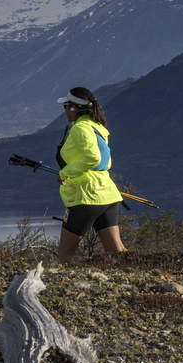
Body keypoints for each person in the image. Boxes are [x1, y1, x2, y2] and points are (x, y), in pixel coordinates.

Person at [55, 87, 127, 264]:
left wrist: (65, 173)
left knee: (65, 254)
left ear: (73, 108)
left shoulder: (80, 128)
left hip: (85, 196)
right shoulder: (98, 127)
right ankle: (143, 274)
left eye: (66, 106)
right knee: (117, 252)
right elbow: (104, 160)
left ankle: (69, 283)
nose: (65, 110)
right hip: (107, 194)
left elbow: (93, 158)